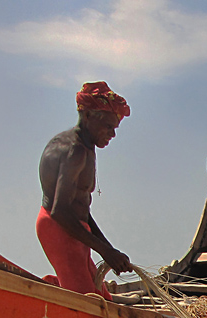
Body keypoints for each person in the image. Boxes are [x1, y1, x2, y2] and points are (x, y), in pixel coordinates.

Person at [37, 81, 134, 299]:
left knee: (104, 299)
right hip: (59, 227)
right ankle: (53, 290)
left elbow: (81, 210)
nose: (112, 135)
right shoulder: (74, 151)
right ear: (89, 116)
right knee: (89, 303)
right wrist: (105, 251)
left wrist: (110, 251)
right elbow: (60, 212)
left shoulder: (86, 147)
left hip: (76, 229)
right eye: (108, 127)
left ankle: (58, 285)